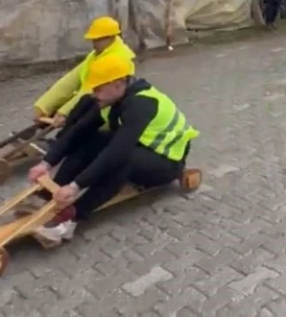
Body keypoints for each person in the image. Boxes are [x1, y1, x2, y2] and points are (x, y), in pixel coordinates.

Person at [28, 53, 199, 243]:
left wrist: (76, 186)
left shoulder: (141, 104)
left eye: (98, 88)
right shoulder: (111, 98)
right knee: (92, 139)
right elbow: (77, 132)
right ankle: (49, 195)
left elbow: (117, 151)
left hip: (169, 162)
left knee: (124, 159)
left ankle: (73, 217)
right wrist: (46, 163)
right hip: (142, 147)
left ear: (117, 84)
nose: (93, 93)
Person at [33, 16, 137, 128]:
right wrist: (44, 106)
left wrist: (64, 112)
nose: (94, 43)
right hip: (92, 107)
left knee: (75, 132)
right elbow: (70, 81)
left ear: (111, 37)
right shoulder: (97, 55)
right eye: (93, 39)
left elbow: (89, 90)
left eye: (98, 39)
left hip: (106, 116)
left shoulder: (119, 58)